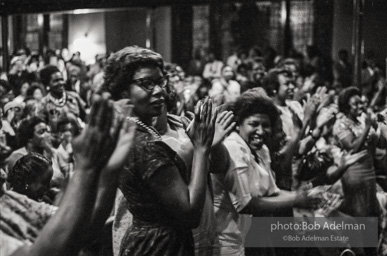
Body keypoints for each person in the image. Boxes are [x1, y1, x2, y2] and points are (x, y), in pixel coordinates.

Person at [102, 46, 216, 256]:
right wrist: (201, 148)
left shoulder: (127, 132)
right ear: (122, 90)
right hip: (160, 246)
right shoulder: (145, 145)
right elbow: (190, 213)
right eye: (146, 83)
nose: (159, 90)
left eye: (160, 81)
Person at [0, 97, 136, 256]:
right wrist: (86, 168)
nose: (3, 175)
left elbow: (80, 227)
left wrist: (110, 170)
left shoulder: (9, 201)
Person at [211, 90, 319, 255]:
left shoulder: (262, 151)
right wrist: (296, 199)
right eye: (254, 124)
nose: (260, 131)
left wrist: (303, 196)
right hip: (224, 243)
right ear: (239, 124)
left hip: (245, 237)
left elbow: (271, 192)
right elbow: (246, 204)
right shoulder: (234, 147)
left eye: (265, 125)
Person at [333, 87, 386, 218]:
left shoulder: (362, 121)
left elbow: (381, 144)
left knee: (371, 213)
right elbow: (352, 148)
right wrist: (368, 127)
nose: (360, 106)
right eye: (355, 104)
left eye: (360, 103)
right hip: (354, 175)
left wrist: (377, 127)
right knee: (360, 213)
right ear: (346, 107)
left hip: (369, 171)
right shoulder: (341, 124)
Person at [37, 65, 86, 130]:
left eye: (61, 79)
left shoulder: (74, 97)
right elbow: (41, 126)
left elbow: (85, 118)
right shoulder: (43, 104)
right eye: (56, 81)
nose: (61, 83)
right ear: (47, 84)